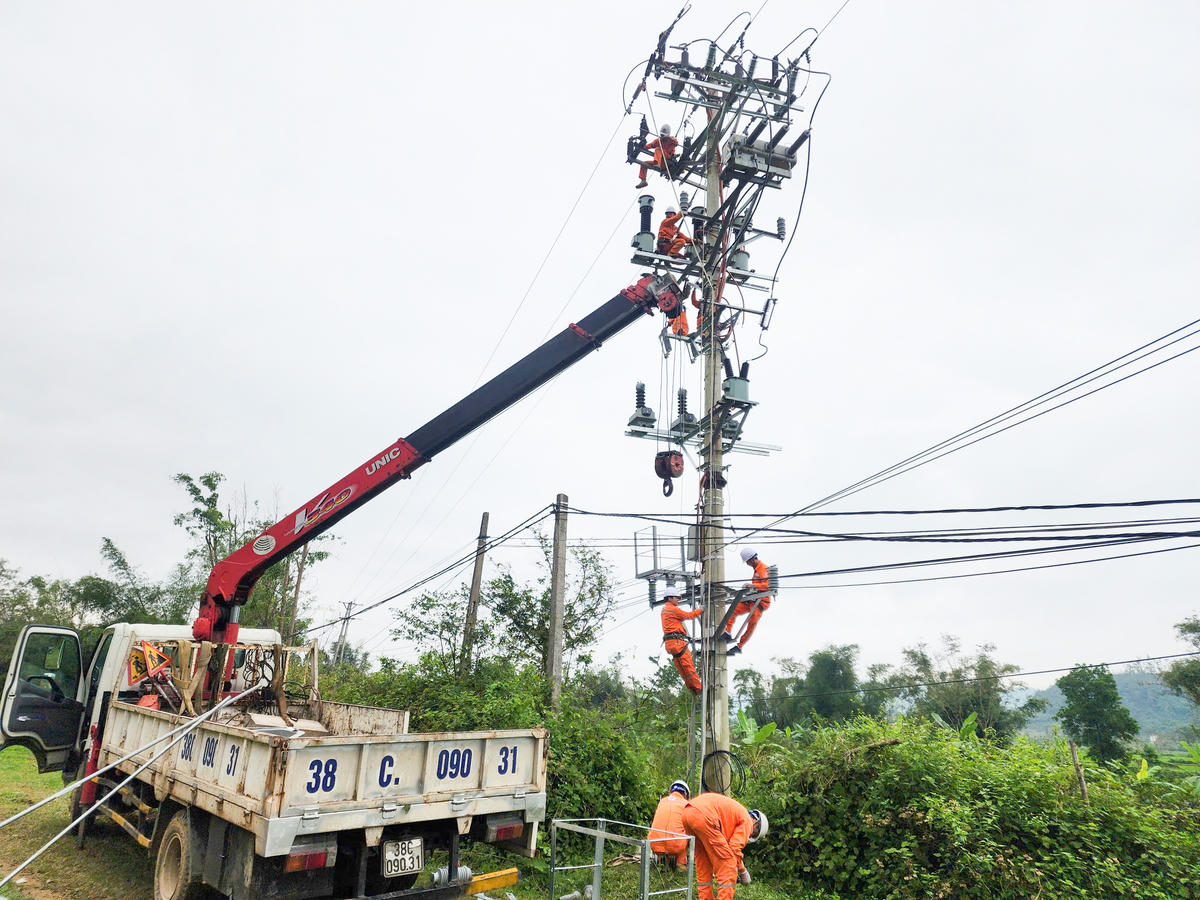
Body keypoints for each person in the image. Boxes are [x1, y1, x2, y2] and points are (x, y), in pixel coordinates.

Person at [680, 792, 767, 900]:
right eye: (753, 834)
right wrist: (743, 871)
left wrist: (741, 869)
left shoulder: (737, 814)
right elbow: (734, 849)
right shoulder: (748, 822)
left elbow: (730, 848)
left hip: (688, 812)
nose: (750, 834)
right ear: (757, 825)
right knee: (728, 865)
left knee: (703, 862)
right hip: (705, 816)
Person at [721, 548, 772, 656]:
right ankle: (727, 632)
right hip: (752, 600)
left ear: (752, 559)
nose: (748, 564)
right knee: (733, 609)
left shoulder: (762, 568)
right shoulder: (757, 569)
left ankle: (739, 646)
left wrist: (753, 585)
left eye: (748, 562)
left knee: (751, 624)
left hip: (761, 602)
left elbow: (767, 585)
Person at [660, 584, 702, 692]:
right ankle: (698, 688)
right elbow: (688, 615)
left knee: (682, 668)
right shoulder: (673, 609)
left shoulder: (664, 610)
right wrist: (701, 610)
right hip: (678, 643)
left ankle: (692, 688)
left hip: (670, 643)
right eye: (676, 598)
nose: (678, 600)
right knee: (688, 666)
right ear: (670, 598)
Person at [648, 780, 691, 868]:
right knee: (689, 831)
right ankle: (681, 862)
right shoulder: (686, 804)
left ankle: (661, 860)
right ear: (685, 794)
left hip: (654, 843)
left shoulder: (662, 801)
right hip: (676, 845)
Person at [636, 123, 679, 188]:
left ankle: (657, 164)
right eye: (661, 135)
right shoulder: (658, 141)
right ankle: (643, 180)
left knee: (658, 149)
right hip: (660, 163)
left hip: (668, 160)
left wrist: (669, 138)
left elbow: (676, 143)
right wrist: (640, 145)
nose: (662, 137)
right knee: (644, 164)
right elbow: (649, 146)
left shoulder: (671, 139)